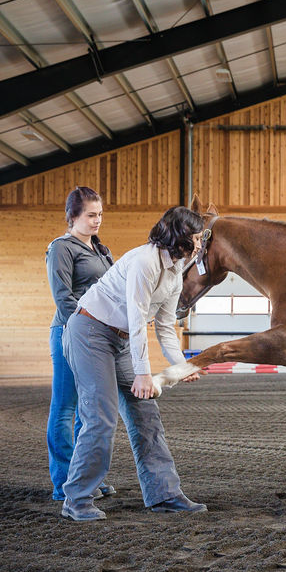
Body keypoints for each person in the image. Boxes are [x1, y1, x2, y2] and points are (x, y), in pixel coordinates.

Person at [60, 205, 207, 521]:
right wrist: (142, 373)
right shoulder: (144, 262)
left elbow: (166, 325)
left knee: (146, 413)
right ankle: (77, 499)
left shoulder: (175, 271)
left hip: (122, 338)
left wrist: (182, 365)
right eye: (196, 237)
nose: (199, 243)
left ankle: (164, 494)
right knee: (100, 415)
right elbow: (138, 319)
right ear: (180, 237)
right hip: (90, 331)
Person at [45, 186, 117, 502]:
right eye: (91, 215)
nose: (97, 220)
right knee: (64, 408)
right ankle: (63, 482)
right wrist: (92, 325)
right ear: (74, 216)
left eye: (100, 214)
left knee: (87, 412)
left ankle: (83, 479)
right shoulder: (62, 248)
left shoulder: (102, 251)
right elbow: (63, 299)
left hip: (98, 339)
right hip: (69, 334)